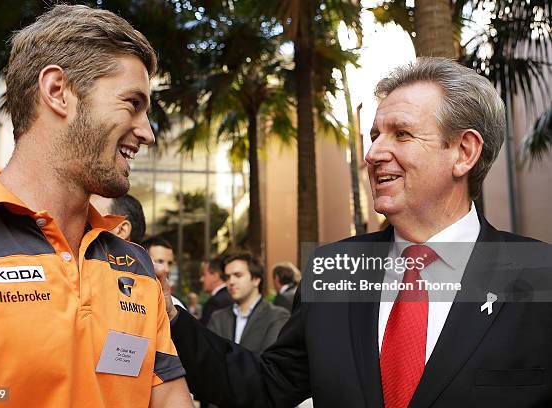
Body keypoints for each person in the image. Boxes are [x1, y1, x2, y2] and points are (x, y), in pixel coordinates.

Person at [162, 57, 552, 407]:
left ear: (464, 152)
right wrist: (172, 319)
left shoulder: (537, 274)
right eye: (375, 135)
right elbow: (267, 386)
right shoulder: (336, 269)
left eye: (401, 134)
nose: (373, 153)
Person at [0, 5, 192, 407]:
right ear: (58, 91)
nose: (146, 132)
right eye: (132, 103)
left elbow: (168, 398)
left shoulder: (137, 265)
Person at [208, 252, 289, 354]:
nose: (231, 282)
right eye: (227, 277)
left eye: (238, 275)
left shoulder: (277, 316)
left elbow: (269, 362)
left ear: (256, 279)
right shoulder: (217, 318)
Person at [143, 237, 186, 309]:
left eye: (170, 263)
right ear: (142, 260)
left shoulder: (176, 305)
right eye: (160, 261)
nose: (167, 269)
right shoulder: (127, 300)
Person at [200, 257, 233, 326]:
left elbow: (205, 333)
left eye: (204, 274)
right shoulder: (232, 296)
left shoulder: (215, 303)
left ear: (215, 276)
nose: (201, 279)